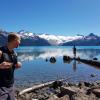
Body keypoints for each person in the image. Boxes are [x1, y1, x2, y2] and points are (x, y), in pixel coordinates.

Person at [0, 33, 22, 100]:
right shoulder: (1, 52)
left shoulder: (14, 54)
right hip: (1, 86)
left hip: (11, 85)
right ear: (14, 40)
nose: (20, 42)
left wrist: (17, 66)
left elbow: (12, 67)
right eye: (19, 40)